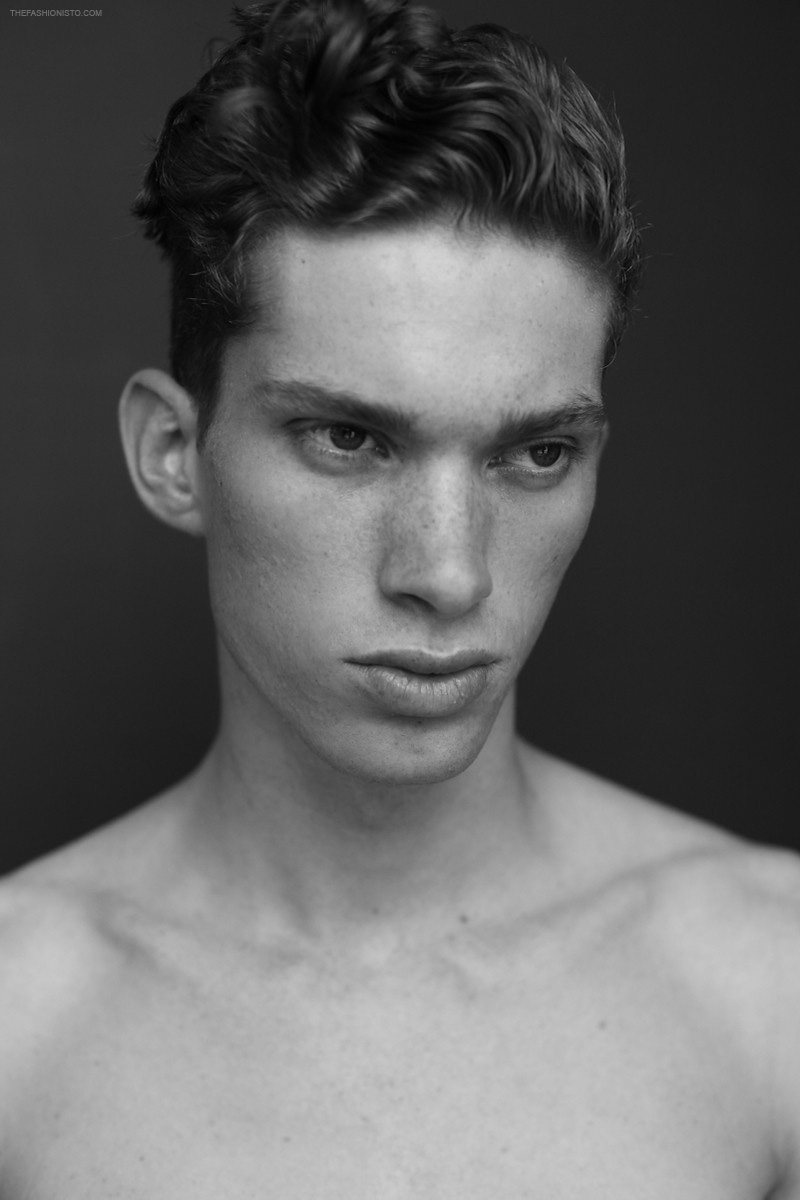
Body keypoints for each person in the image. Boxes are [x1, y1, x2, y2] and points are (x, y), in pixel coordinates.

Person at [1, 0, 798, 1192]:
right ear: (174, 453)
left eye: (535, 454)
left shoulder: (771, 986)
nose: (448, 573)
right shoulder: (19, 1029)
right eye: (348, 439)